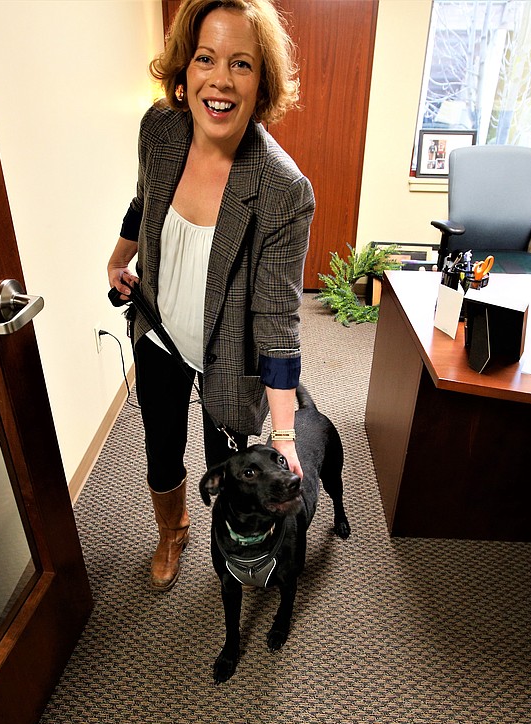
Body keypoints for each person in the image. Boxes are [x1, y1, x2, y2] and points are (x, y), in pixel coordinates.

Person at [106, 0, 314, 592]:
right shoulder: (160, 130)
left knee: (229, 464)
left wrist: (282, 433)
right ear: (184, 68)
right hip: (160, 333)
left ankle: (239, 544)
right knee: (161, 447)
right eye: (205, 58)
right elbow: (144, 201)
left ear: (263, 81)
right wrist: (120, 258)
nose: (220, 80)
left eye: (241, 64)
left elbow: (277, 319)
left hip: (231, 353)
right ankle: (172, 530)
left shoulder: (282, 189)